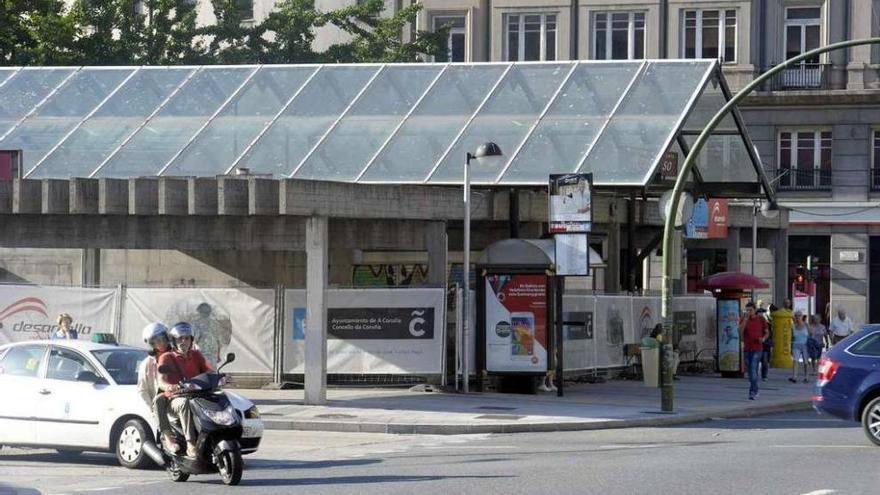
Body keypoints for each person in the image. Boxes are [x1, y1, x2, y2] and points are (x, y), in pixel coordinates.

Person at [159, 322, 212, 457]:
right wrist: (170, 386)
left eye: (187, 338)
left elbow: (209, 371)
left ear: (191, 340)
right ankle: (190, 443)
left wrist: (221, 377)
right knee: (185, 403)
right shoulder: (167, 357)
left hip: (197, 395)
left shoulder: (196, 355)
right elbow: (161, 381)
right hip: (175, 398)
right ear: (174, 341)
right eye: (180, 338)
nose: (184, 341)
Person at [136, 322, 178, 453]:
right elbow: (142, 390)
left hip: (182, 392)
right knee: (159, 401)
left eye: (161, 339)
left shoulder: (179, 354)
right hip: (164, 398)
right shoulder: (147, 364)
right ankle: (167, 438)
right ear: (151, 345)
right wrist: (152, 408)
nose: (160, 343)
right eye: (155, 342)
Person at [739, 302, 769, 400]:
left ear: (755, 310)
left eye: (750, 310)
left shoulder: (761, 319)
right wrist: (745, 319)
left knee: (753, 368)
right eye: (747, 310)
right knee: (751, 372)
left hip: (757, 348)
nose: (748, 312)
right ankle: (755, 389)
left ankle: (752, 392)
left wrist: (763, 338)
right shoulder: (744, 319)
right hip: (747, 348)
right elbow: (740, 332)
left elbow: (767, 332)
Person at [789, 312, 809, 384]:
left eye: (799, 316)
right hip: (796, 345)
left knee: (805, 361)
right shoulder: (793, 326)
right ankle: (794, 376)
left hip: (805, 345)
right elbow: (792, 337)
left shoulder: (806, 325)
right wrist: (791, 347)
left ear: (802, 317)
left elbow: (810, 334)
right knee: (795, 361)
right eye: (796, 316)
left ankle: (806, 377)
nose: (797, 318)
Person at [758, 305, 774, 382]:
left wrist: (770, 343)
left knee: (764, 361)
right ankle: (754, 374)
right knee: (755, 361)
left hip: (765, 345)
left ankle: (764, 375)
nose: (761, 315)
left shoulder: (768, 324)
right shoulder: (754, 322)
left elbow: (770, 334)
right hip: (756, 344)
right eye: (759, 313)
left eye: (762, 313)